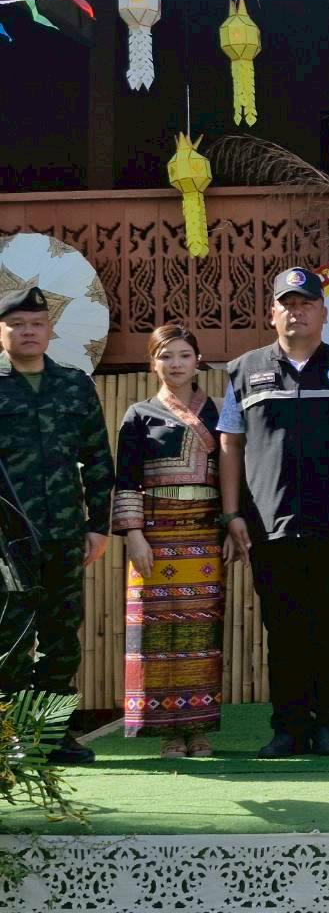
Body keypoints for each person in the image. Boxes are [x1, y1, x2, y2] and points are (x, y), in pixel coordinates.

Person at [218, 267, 329, 759]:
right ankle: (288, 727)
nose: (296, 312)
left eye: (306, 303)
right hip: (269, 526)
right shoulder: (243, 370)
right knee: (283, 631)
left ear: (324, 313)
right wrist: (232, 513)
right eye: (287, 304)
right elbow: (230, 444)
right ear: (272, 314)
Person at [0, 285, 113, 765]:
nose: (28, 332)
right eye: (17, 325)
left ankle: (51, 734)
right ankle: (11, 735)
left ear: (49, 330)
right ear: (1, 332)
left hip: (66, 532)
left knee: (61, 638)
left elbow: (98, 460)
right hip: (7, 542)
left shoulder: (74, 385)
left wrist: (99, 526)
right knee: (10, 638)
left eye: (37, 324)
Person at [112, 325, 225, 758]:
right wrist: (134, 535)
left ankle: (199, 730)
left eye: (183, 355)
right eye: (166, 356)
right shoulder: (138, 415)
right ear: (153, 362)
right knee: (156, 633)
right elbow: (127, 479)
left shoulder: (217, 411)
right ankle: (167, 733)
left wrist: (231, 526)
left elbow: (234, 475)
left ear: (197, 361)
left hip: (204, 533)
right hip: (155, 533)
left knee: (201, 630)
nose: (175, 364)